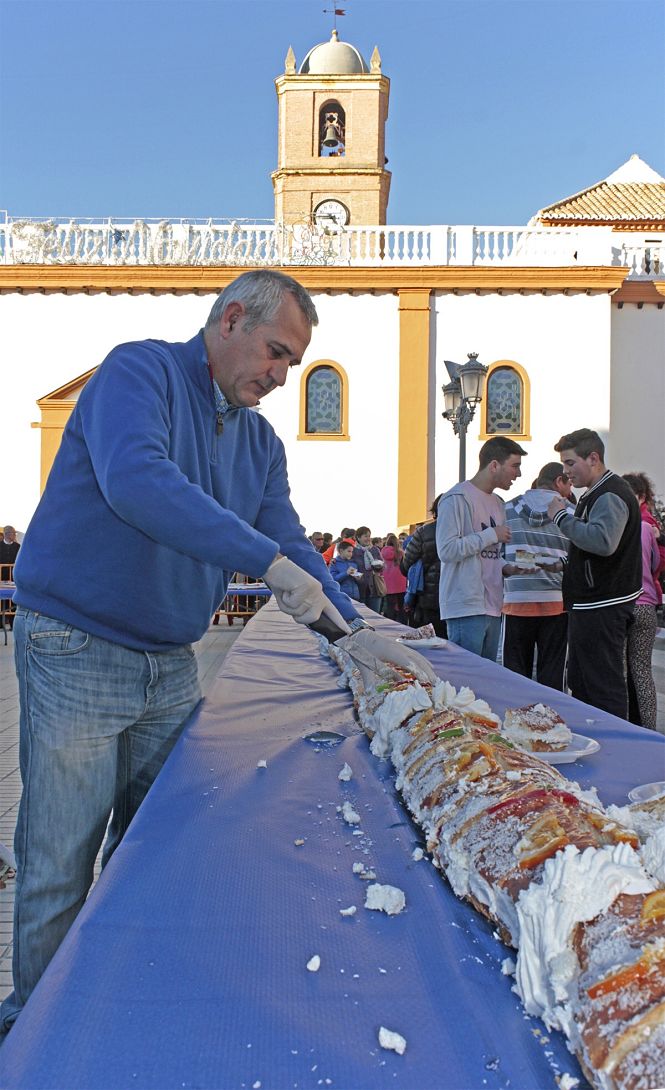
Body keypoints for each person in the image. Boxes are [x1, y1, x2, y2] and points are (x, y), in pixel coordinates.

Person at [2, 269, 436, 1039]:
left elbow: (291, 542)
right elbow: (138, 481)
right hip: (76, 646)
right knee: (58, 864)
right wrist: (261, 561)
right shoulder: (139, 371)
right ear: (230, 318)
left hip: (169, 658)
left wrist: (355, 630)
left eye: (293, 364)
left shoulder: (260, 441)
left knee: (158, 846)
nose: (278, 375)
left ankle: (121, 1004)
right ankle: (41, 1034)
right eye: (274, 352)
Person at [547, 428, 641, 718]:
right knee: (585, 682)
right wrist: (568, 567)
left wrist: (561, 517)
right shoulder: (598, 493)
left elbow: (603, 542)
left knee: (602, 685)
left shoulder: (610, 494)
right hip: (594, 604)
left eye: (570, 463)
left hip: (602, 605)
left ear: (593, 458)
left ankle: (615, 750)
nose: (566, 473)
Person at [437, 437, 528, 659]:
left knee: (487, 680)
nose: (519, 474)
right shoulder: (456, 498)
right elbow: (447, 550)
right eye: (515, 466)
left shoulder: (498, 502)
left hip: (493, 604)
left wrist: (506, 567)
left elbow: (487, 555)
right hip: (467, 605)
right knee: (467, 681)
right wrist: (491, 535)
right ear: (494, 465)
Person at [502, 462, 573, 690]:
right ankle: (551, 720)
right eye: (568, 483)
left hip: (517, 600)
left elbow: (498, 553)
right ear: (558, 482)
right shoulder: (570, 513)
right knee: (553, 671)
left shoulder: (508, 508)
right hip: (556, 602)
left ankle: (515, 718)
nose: (570, 491)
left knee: (514, 674)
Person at [623, 474, 661, 729]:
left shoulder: (618, 525)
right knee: (642, 670)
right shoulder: (648, 528)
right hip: (647, 604)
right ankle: (648, 727)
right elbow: (657, 562)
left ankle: (623, 722)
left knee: (621, 670)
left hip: (623, 604)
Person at [401, 498, 446, 637]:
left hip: (427, 598)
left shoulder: (424, 532)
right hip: (458, 600)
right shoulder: (466, 531)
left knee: (427, 644)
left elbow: (405, 565)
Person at [352, 526, 385, 614]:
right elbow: (347, 564)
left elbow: (383, 566)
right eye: (365, 536)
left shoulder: (374, 550)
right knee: (363, 616)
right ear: (358, 537)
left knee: (375, 616)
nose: (368, 538)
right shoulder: (353, 551)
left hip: (374, 587)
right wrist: (334, 561)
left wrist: (379, 566)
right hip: (359, 588)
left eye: (369, 536)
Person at [381, 533, 407, 623]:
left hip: (388, 583)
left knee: (390, 606)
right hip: (401, 582)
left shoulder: (383, 552)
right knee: (401, 607)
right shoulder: (401, 553)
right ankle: (403, 624)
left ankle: (390, 624)